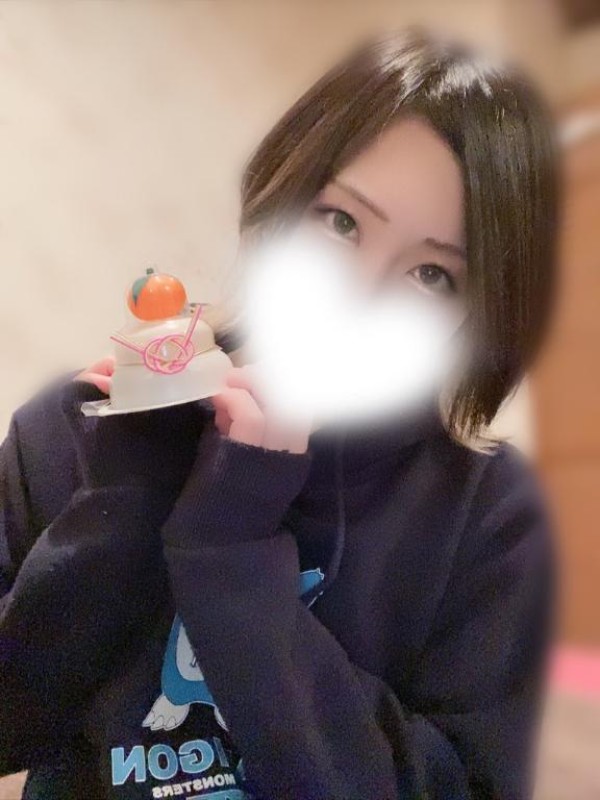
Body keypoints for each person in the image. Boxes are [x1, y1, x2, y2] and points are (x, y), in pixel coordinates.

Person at [0, 26, 561, 800]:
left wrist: (232, 549)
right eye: (341, 222)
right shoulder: (76, 427)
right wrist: (122, 502)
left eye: (432, 275)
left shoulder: (488, 515)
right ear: (279, 200)